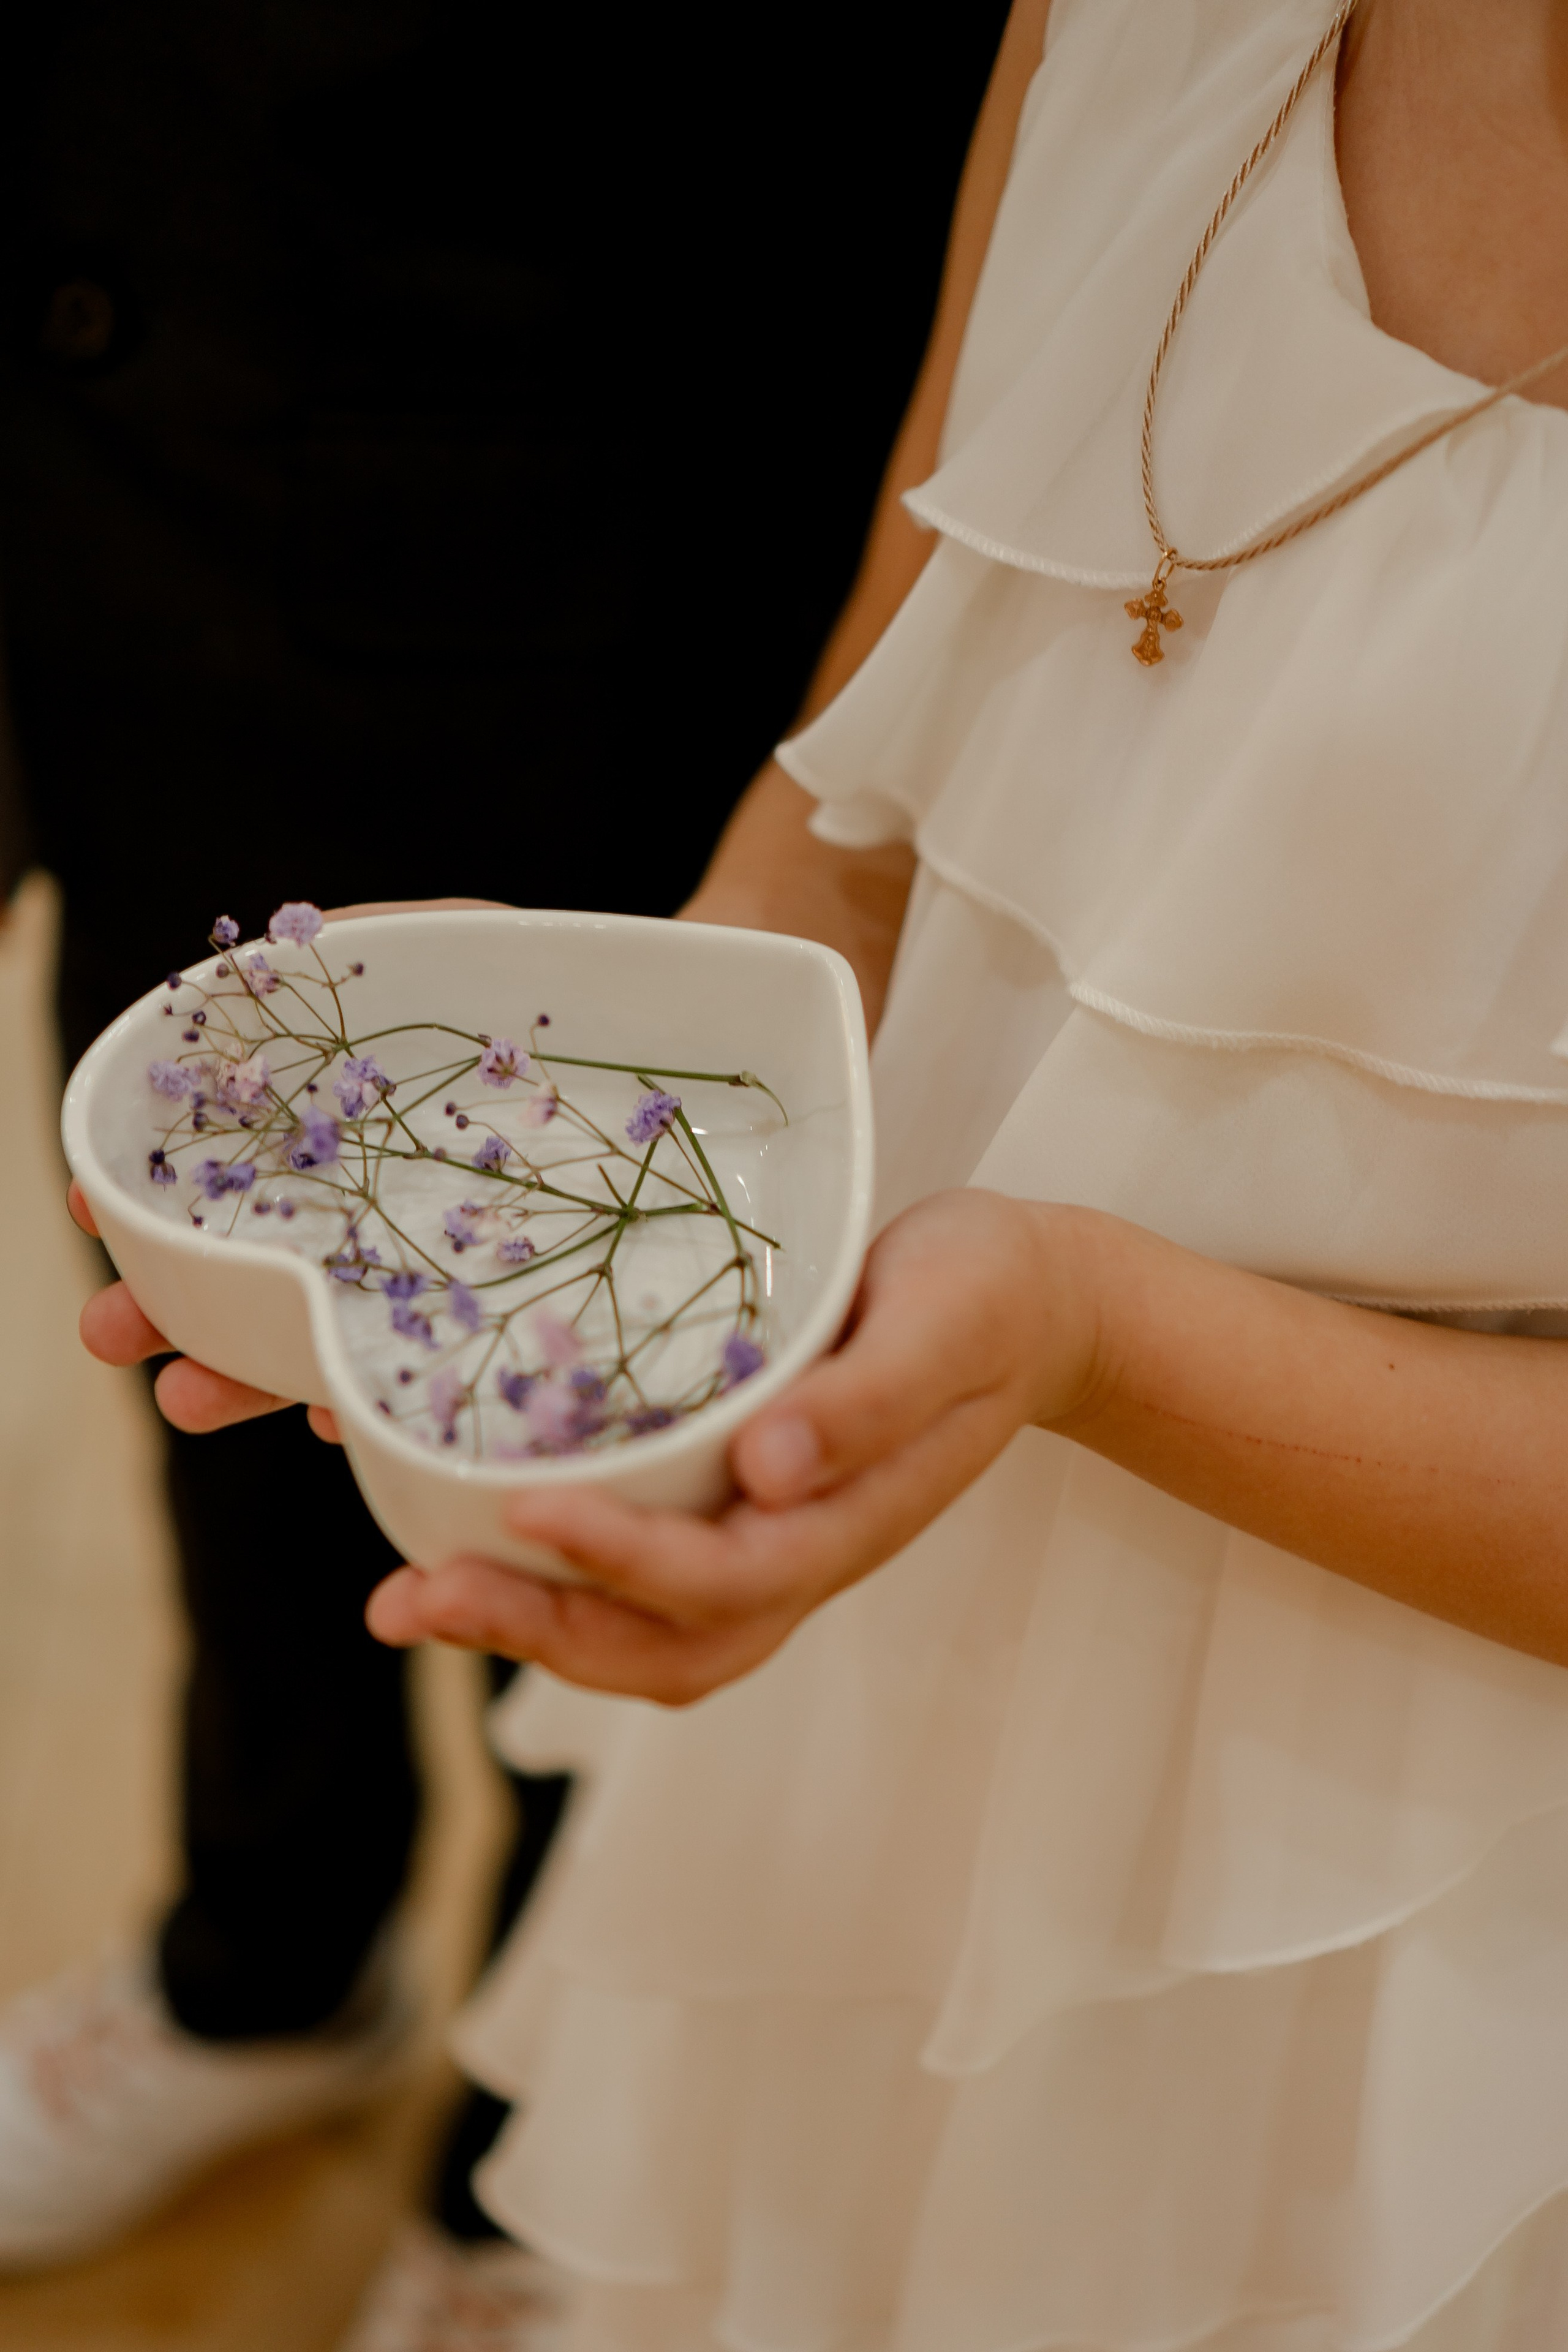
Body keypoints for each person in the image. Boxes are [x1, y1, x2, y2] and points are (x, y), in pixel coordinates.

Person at [70, 0, 1568, 2342]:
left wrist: (1083, 1330)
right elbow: (862, 804)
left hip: (1431, 1916)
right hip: (913, 1689)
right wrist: (587, 1045)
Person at [0, 0, 1012, 2302]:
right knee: (217, 1337)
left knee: (606, 1471)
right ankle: (271, 1953)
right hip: (115, 478)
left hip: (582, 499)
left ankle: (532, 2149)